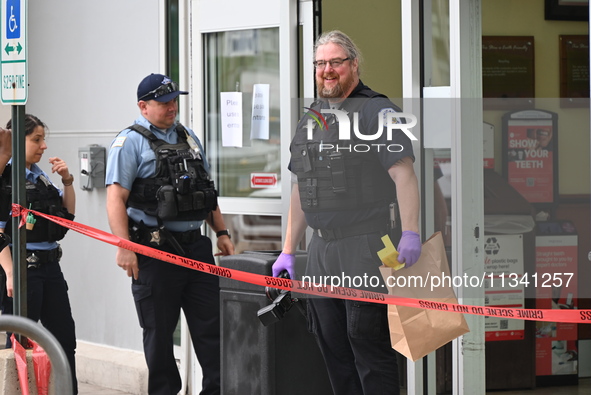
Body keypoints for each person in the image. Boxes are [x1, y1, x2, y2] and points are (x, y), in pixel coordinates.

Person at [271, 31, 422, 395]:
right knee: (332, 346)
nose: (327, 70)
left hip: (366, 245)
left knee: (366, 343)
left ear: (354, 65)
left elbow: (404, 175)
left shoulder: (377, 110)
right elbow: (300, 190)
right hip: (322, 251)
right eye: (321, 63)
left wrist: (411, 231)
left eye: (335, 62)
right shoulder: (312, 118)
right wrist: (288, 248)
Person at [106, 73, 234, 395]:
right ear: (143, 106)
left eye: (174, 100)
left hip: (197, 249)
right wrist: (124, 247)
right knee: (160, 336)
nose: (171, 107)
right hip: (155, 252)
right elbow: (115, 198)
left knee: (212, 331)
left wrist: (221, 231)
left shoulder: (188, 136)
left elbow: (206, 190)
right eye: (163, 102)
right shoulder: (129, 142)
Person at [0, 114, 78, 393]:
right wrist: (10, 272)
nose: (44, 146)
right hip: (23, 271)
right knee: (20, 345)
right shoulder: (7, 178)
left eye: (44, 139)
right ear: (16, 141)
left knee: (65, 341)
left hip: (51, 269)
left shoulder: (38, 175)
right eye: (36, 140)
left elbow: (67, 217)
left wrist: (68, 181)